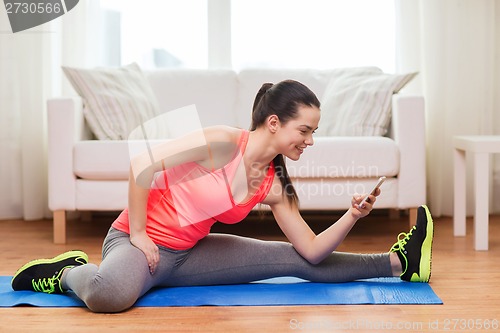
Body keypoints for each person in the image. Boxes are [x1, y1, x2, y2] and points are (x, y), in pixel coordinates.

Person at [11, 80, 434, 313]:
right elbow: (142, 163)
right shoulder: (221, 142)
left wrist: (352, 216)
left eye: (313, 132)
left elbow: (312, 251)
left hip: (189, 255)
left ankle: (400, 261)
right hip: (139, 244)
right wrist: (138, 233)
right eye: (304, 130)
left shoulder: (273, 185)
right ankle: (67, 272)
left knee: (293, 260)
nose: (310, 141)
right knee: (108, 296)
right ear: (273, 122)